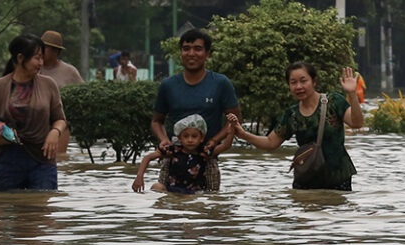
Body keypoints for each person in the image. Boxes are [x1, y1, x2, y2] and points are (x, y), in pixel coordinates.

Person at [232, 62, 364, 191]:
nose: (298, 86)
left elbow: (356, 123)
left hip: (338, 177)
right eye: (293, 82)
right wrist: (243, 134)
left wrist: (352, 94)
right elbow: (271, 142)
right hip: (307, 178)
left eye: (303, 81)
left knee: (337, 205)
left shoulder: (334, 102)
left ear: (314, 81)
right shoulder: (292, 115)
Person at [151, 29, 239, 190]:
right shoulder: (168, 85)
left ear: (207, 54)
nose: (191, 53)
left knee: (209, 201)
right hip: (173, 159)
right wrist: (163, 140)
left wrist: (214, 141)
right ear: (181, 53)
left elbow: (234, 121)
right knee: (165, 198)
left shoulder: (221, 83)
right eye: (186, 49)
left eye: (198, 49)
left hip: (208, 158)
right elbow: (157, 121)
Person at [0, 35, 68, 191]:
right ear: (21, 58)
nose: (41, 63)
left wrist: (55, 132)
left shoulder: (49, 85)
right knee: (4, 203)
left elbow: (60, 118)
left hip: (42, 160)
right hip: (7, 161)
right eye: (37, 58)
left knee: (42, 202)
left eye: (42, 58)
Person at [133, 115, 220, 193]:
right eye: (185, 136)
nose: (190, 140)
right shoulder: (172, 150)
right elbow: (148, 157)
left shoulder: (204, 152)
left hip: (195, 193)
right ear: (179, 138)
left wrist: (228, 133)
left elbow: (224, 146)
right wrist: (139, 177)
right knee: (157, 186)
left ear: (201, 138)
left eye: (194, 136)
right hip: (172, 190)